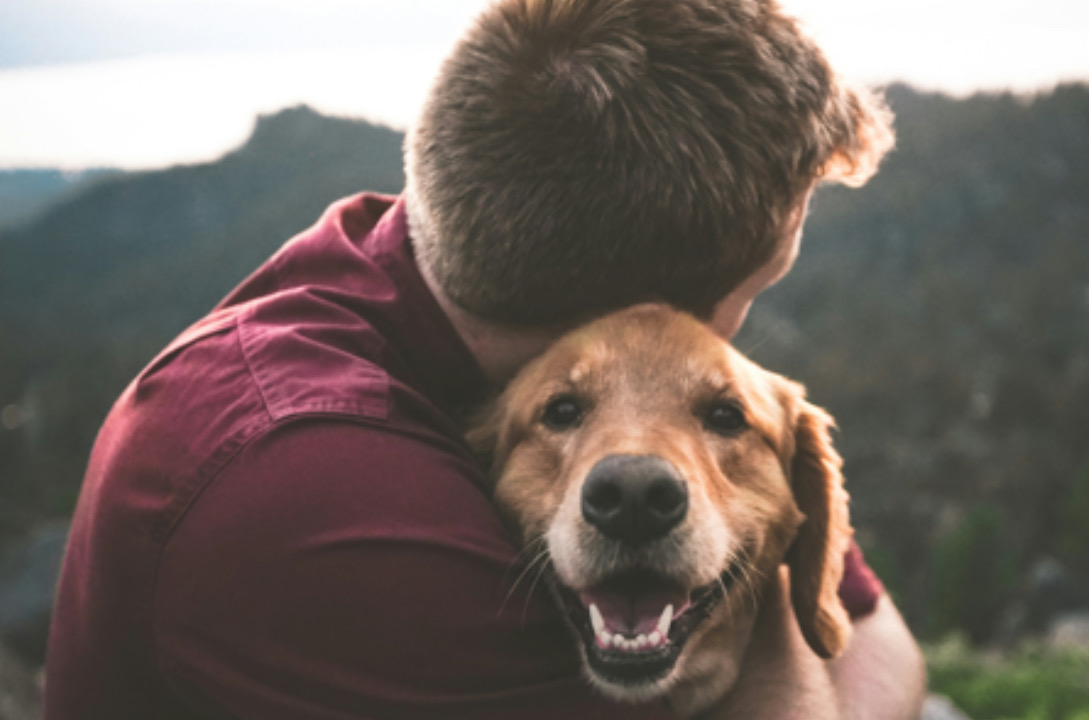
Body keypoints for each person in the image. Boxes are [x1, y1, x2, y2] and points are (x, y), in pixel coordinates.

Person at [44, 0, 925, 718]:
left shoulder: (434, 260)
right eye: (754, 292)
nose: (721, 343)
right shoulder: (312, 488)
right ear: (644, 313)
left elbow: (877, 639)